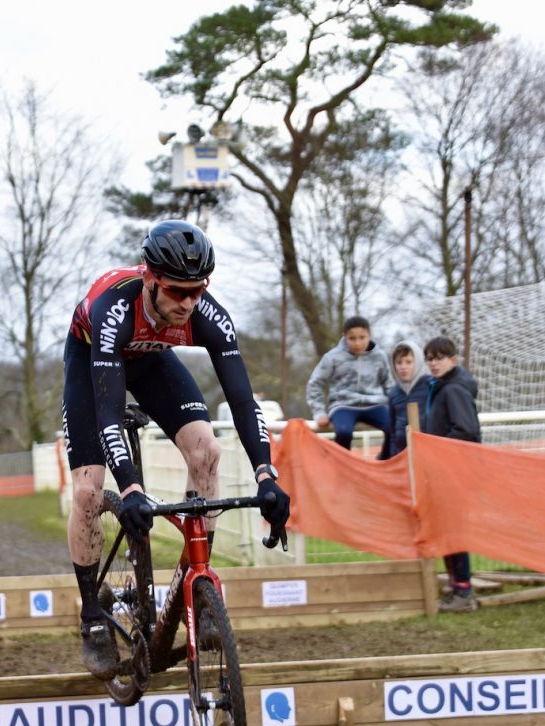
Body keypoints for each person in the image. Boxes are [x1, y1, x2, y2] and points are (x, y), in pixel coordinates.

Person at [63, 219, 289, 679]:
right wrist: (129, 488)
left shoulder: (208, 315)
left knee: (208, 451)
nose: (189, 302)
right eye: (176, 291)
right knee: (89, 490)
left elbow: (243, 400)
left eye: (198, 290)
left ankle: (197, 587)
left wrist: (267, 474)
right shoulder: (112, 309)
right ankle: (92, 617)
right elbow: (107, 410)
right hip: (94, 364)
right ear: (149, 279)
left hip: (150, 362)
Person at [423, 336, 482, 613]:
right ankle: (456, 583)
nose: (434, 363)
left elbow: (466, 430)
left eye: (439, 358)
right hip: (444, 469)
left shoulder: (453, 390)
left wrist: (437, 448)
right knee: (447, 527)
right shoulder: (441, 387)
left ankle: (464, 590)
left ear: (453, 360)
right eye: (430, 358)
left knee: (454, 529)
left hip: (454, 470)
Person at [306, 315, 393, 454]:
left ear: (369, 335)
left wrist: (397, 408)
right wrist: (319, 412)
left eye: (362, 337)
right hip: (343, 405)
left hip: (375, 404)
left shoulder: (379, 356)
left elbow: (389, 384)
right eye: (352, 338)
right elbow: (315, 383)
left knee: (395, 427)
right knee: (344, 432)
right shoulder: (332, 357)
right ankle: (343, 470)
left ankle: (384, 464)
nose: (357, 343)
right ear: (344, 337)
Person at [384, 340, 430, 459]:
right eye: (399, 362)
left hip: (427, 452)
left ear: (418, 362)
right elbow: (392, 430)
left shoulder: (430, 385)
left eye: (408, 362)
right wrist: (393, 454)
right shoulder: (394, 393)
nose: (403, 367)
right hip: (401, 454)